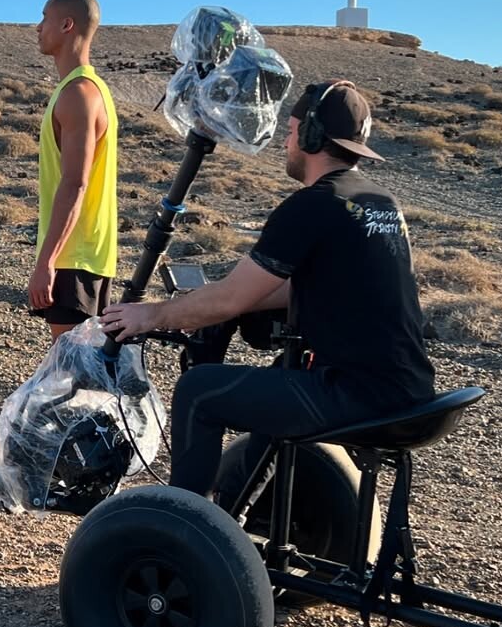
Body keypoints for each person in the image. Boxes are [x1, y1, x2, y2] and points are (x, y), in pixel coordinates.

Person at [101, 79, 435, 495]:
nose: (286, 143)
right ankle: (228, 513)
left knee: (197, 392)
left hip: (358, 395)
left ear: (311, 136)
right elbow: (302, 285)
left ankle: (181, 521)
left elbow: (230, 299)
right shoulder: (380, 202)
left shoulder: (314, 204)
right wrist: (214, 303)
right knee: (282, 377)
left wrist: (150, 314)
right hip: (409, 391)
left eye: (291, 132)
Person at [29, 0, 118, 341]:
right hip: (84, 253)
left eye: (44, 18)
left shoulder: (79, 93)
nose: (38, 27)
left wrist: (46, 261)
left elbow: (75, 183)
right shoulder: (84, 88)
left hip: (75, 255)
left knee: (71, 367)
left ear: (67, 25)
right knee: (77, 363)